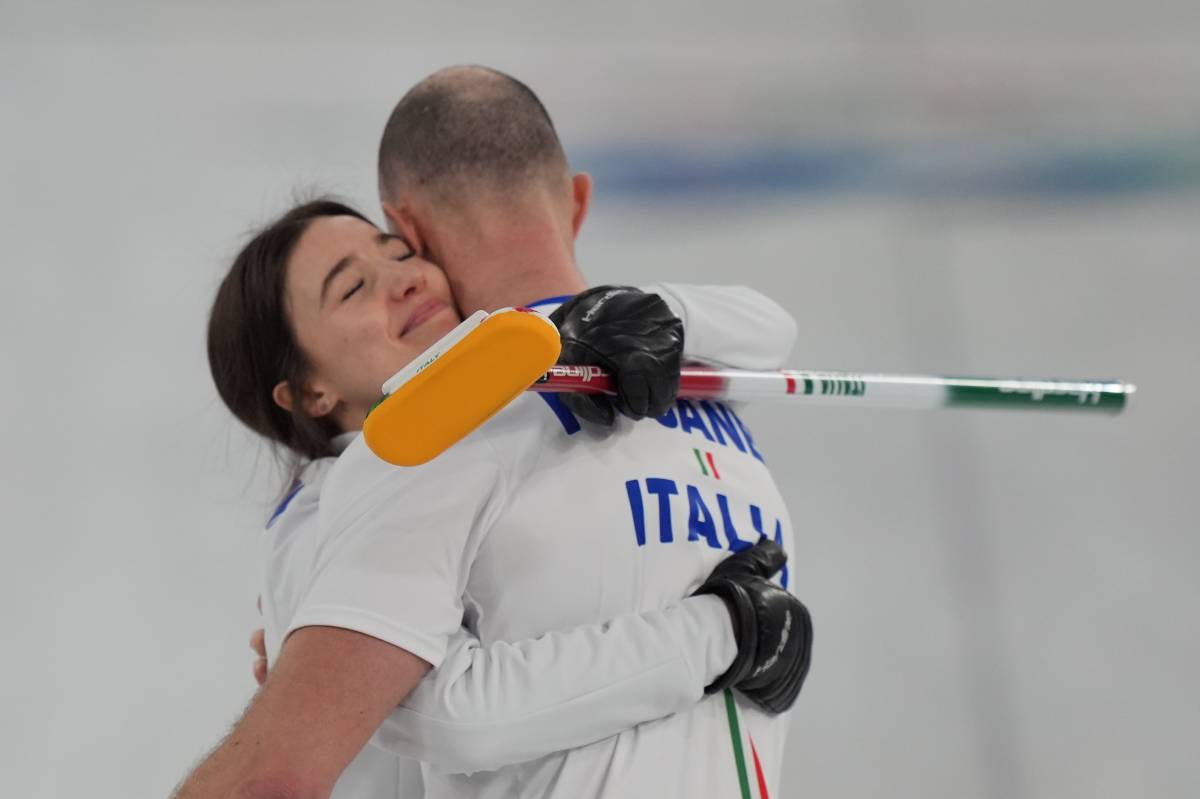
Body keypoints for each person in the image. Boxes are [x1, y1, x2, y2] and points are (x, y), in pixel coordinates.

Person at [178, 67, 810, 799]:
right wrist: (721, 633)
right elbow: (428, 721)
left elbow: (772, 330)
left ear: (414, 234)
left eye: (397, 254)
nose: (402, 279)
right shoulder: (416, 441)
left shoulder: (660, 366)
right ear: (578, 202)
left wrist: (651, 313)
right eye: (351, 288)